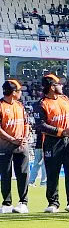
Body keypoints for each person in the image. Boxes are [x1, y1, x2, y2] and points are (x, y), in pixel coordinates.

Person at [35, 74, 69, 213]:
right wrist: (61, 131)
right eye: (59, 84)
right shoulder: (41, 104)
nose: (61, 86)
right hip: (52, 141)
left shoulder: (65, 99)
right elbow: (41, 125)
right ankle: (53, 203)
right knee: (52, 173)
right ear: (52, 87)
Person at [0, 80, 29, 213]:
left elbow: (26, 123)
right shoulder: (0, 106)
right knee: (6, 174)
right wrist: (12, 139)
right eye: (19, 91)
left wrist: (24, 138)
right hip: (5, 147)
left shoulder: (20, 106)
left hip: (21, 146)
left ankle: (23, 202)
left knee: (22, 174)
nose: (21, 93)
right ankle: (7, 203)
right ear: (13, 92)